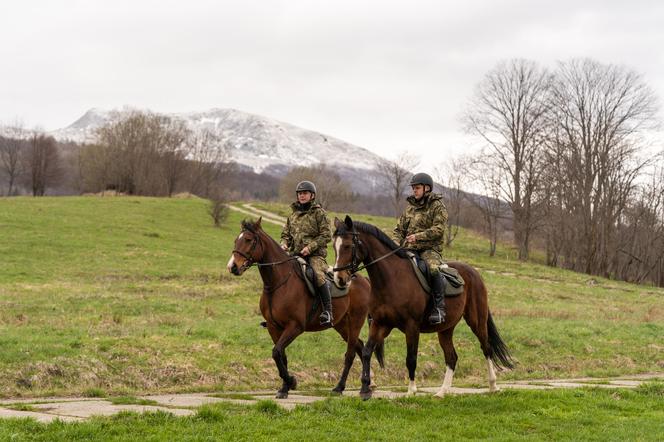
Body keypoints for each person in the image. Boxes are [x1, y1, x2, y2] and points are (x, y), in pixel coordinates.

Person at [393, 173, 449, 324]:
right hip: (410, 248)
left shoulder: (437, 205)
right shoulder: (410, 207)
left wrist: (418, 236)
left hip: (430, 249)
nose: (414, 191)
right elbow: (399, 230)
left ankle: (439, 308)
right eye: (413, 188)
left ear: (427, 188)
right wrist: (394, 244)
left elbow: (439, 229)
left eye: (417, 188)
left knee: (432, 268)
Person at [280, 180, 334, 325]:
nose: (302, 196)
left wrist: (310, 247)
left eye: (305, 193)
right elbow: (286, 234)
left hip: (315, 256)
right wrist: (284, 244)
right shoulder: (293, 215)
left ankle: (328, 311)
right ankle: (278, 313)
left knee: (317, 274)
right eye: (300, 193)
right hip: (295, 254)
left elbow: (326, 235)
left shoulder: (319, 213)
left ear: (312, 195)